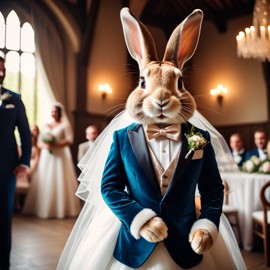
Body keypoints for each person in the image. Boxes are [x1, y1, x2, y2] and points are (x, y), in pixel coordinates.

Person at [0, 51, 32, 270]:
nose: (0, 72)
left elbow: (25, 133)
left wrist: (24, 162)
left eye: (2, 69)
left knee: (3, 218)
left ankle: (3, 263)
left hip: (6, 167)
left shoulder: (14, 99)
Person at [23, 102, 81, 219]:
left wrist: (55, 144)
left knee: (59, 179)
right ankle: (41, 208)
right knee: (45, 179)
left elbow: (70, 140)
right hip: (46, 156)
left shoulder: (65, 125)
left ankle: (60, 209)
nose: (54, 113)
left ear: (60, 113)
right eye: (52, 111)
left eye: (56, 111)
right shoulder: (46, 125)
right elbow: (39, 141)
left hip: (60, 156)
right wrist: (46, 146)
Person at [15, 125, 40, 211]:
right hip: (25, 164)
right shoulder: (21, 146)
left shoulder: (36, 147)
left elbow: (37, 159)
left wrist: (31, 168)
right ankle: (18, 201)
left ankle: (24, 202)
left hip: (32, 165)